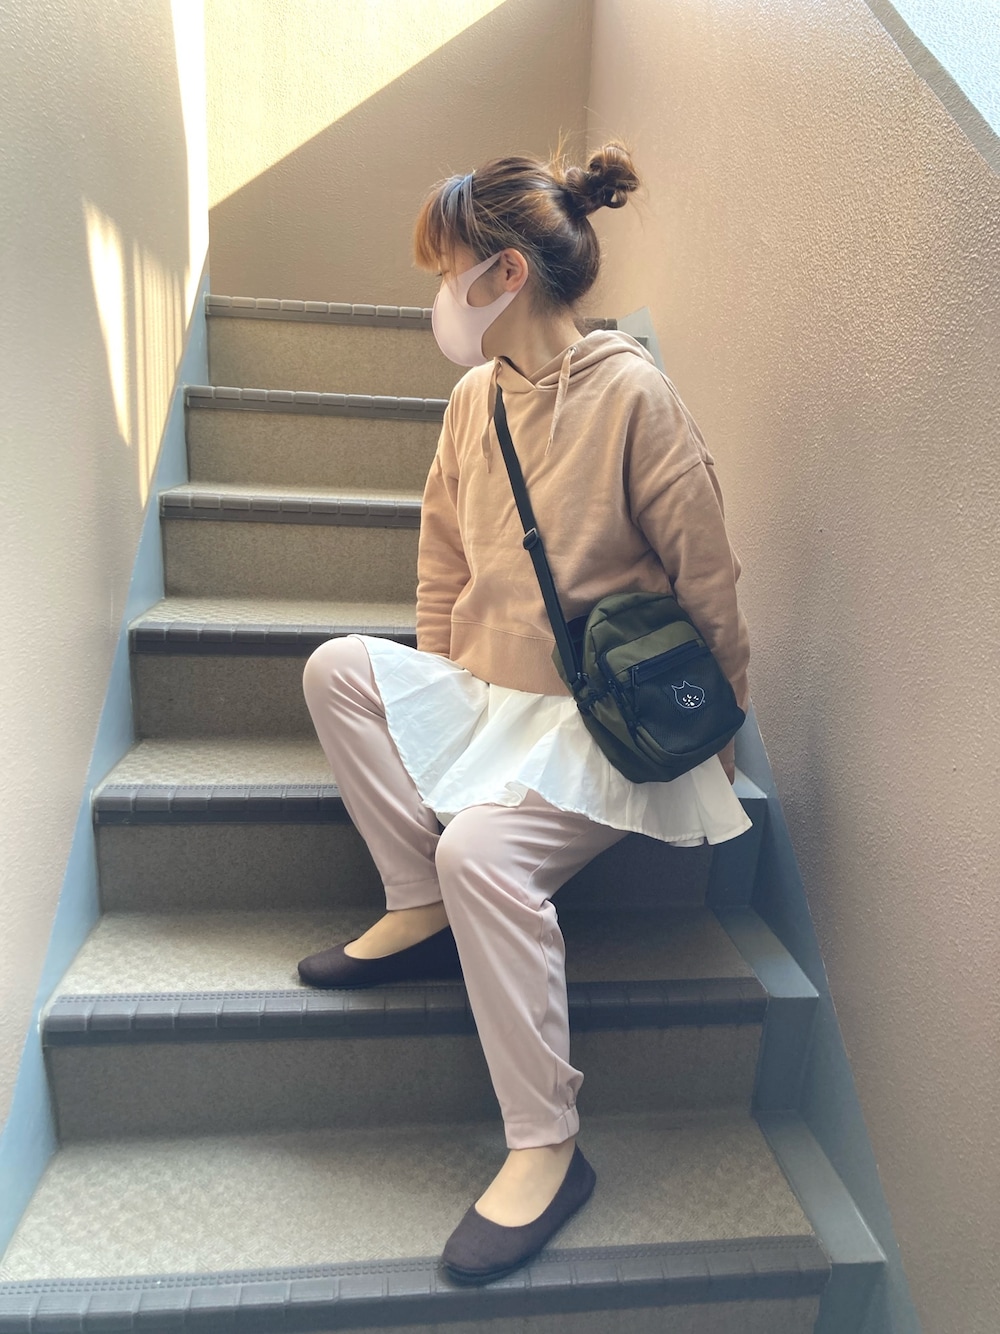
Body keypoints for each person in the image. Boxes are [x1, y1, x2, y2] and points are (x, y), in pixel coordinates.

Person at [297, 142, 751, 1284]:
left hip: (596, 725)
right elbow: (442, 560)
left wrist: (719, 728)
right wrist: (440, 706)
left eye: (444, 271)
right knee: (336, 669)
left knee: (484, 855)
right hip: (491, 694)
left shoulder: (634, 394)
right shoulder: (472, 399)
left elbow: (707, 576)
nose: (436, 298)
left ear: (505, 273)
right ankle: (416, 904)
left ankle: (547, 1144)